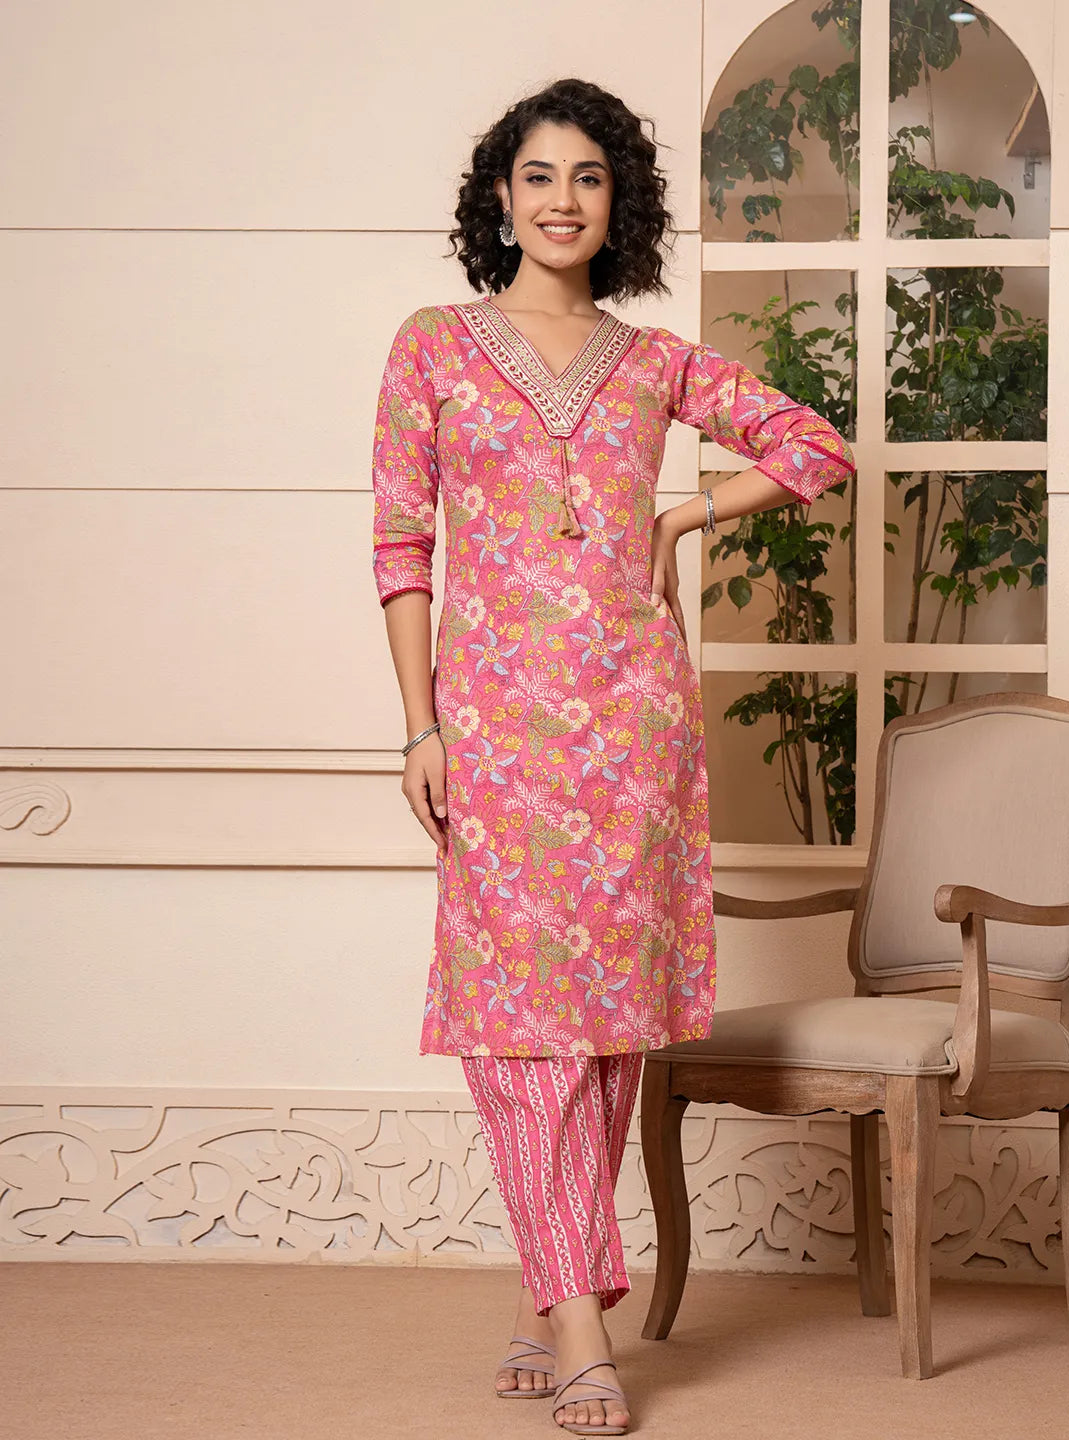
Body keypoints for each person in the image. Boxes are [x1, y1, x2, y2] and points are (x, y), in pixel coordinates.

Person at [371, 77, 855, 1437]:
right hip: (495, 733)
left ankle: (548, 1305)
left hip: (634, 733)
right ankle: (585, 1315)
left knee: (601, 1031)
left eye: (589, 177)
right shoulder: (434, 347)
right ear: (500, 197)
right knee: (514, 1025)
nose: (563, 200)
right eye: (539, 175)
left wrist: (688, 513)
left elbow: (818, 448)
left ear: (616, 203)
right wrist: (420, 727)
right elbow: (401, 545)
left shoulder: (653, 364)